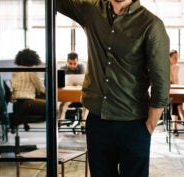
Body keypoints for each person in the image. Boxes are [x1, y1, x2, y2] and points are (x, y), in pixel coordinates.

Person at [57, 1, 170, 177]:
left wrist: (150, 124)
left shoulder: (150, 24)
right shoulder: (91, 10)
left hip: (134, 122)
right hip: (97, 120)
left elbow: (161, 81)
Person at [11, 48, 46, 130]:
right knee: (52, 108)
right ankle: (53, 134)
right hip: (26, 103)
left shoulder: (15, 71)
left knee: (43, 100)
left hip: (16, 105)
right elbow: (41, 89)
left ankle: (20, 120)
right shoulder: (32, 70)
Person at [58, 52, 85, 120]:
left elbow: (84, 82)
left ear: (77, 62)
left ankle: (83, 124)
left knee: (87, 104)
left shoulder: (81, 67)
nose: (72, 66)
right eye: (70, 63)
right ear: (67, 62)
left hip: (79, 94)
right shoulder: (62, 69)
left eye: (75, 63)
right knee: (63, 104)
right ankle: (60, 122)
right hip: (68, 94)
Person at [169, 50, 184, 136]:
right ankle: (183, 119)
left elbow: (175, 80)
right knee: (175, 100)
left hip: (174, 87)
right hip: (167, 89)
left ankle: (175, 126)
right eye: (174, 58)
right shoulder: (166, 66)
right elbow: (169, 80)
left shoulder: (177, 66)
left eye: (177, 58)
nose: (176, 60)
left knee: (177, 99)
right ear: (169, 58)